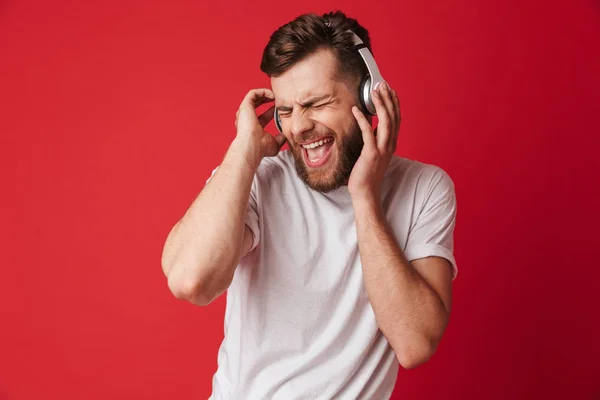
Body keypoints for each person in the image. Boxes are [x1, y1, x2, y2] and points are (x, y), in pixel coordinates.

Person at [161, 10, 458, 400]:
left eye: (316, 103)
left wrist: (364, 196)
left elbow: (415, 344)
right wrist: (243, 152)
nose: (298, 126)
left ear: (369, 98)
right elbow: (190, 280)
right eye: (286, 111)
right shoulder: (257, 176)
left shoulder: (424, 188)